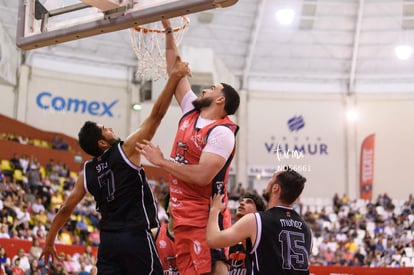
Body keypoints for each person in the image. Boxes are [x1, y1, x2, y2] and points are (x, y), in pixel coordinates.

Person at [39, 58, 191, 275]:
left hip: (108, 242)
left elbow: (66, 208)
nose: (110, 128)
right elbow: (156, 115)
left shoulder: (87, 172)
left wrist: (49, 241)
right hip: (135, 237)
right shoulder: (126, 150)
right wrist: (175, 77)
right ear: (101, 143)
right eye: (105, 129)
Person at [137, 19, 240, 275]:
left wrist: (162, 162)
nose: (205, 88)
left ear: (220, 99)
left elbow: (203, 175)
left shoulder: (222, 133)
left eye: (213, 88)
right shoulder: (190, 109)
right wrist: (168, 30)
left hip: (203, 218)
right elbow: (175, 71)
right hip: (181, 218)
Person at [207, 168, 312, 275]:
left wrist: (214, 210)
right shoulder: (307, 229)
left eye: (271, 179)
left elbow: (212, 240)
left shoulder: (257, 220)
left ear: (275, 188)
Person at [228, 193, 265, 275]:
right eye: (241, 201)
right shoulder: (228, 243)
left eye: (248, 202)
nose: (242, 203)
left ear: (258, 213)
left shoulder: (262, 243)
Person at [151, 195, 179, 274]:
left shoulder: (193, 236)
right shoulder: (155, 233)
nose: (178, 203)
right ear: (167, 209)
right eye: (174, 200)